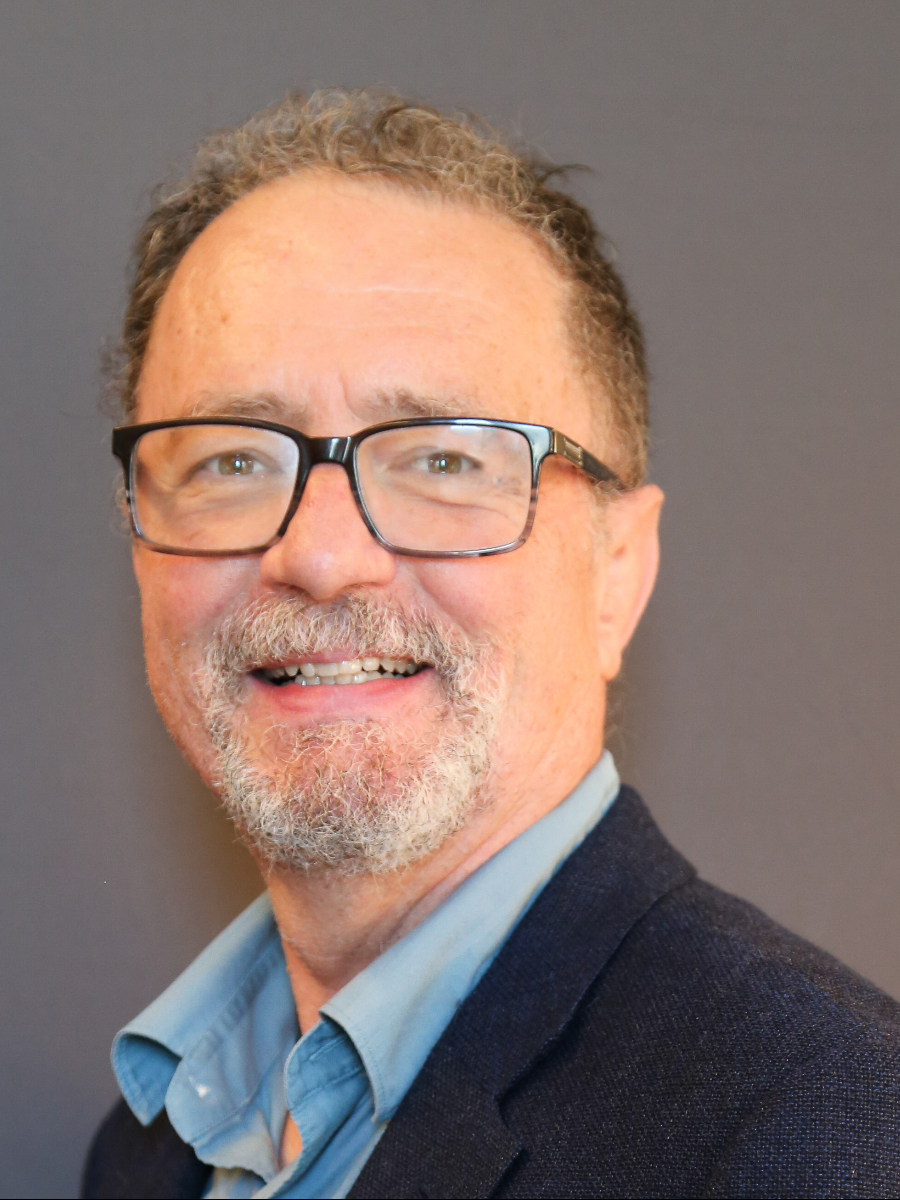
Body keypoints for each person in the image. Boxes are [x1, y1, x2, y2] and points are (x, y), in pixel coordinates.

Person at [82, 89, 900, 1200]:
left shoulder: (830, 1137)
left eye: (444, 460)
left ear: (620, 572)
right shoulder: (149, 1151)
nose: (322, 559)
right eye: (231, 460)